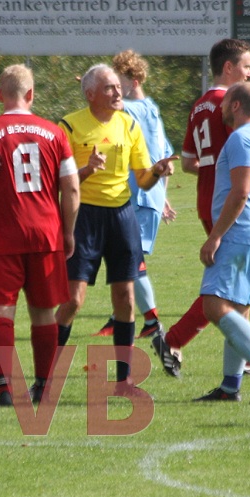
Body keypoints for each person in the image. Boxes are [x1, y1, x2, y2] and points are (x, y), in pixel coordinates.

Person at [156, 81, 250, 404]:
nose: (221, 108)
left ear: (236, 105)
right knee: (238, 310)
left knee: (214, 305)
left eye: (225, 102)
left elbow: (240, 191)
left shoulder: (241, 138)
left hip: (239, 232)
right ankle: (230, 388)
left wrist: (215, 236)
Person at [56, 64, 175, 387]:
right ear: (90, 94)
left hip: (122, 216)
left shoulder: (129, 124)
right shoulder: (69, 126)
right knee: (73, 300)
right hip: (83, 217)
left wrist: (157, 171)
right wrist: (86, 170)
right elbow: (56, 179)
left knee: (125, 298)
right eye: (109, 87)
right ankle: (45, 377)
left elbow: (143, 179)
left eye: (117, 87)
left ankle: (124, 382)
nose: (117, 91)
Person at [0, 64, 80, 406]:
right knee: (43, 313)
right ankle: (43, 387)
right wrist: (68, 231)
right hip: (46, 234)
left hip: (3, 234)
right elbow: (72, 188)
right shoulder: (55, 133)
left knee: (2, 312)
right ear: (31, 95)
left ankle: (5, 389)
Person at [153, 38, 250, 377]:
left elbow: (187, 162)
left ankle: (247, 355)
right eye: (246, 66)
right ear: (229, 67)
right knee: (228, 286)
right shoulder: (232, 103)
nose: (249, 73)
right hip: (228, 201)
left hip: (206, 199)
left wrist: (214, 170)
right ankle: (173, 340)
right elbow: (244, 148)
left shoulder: (199, 105)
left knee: (236, 283)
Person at [93, 49, 175, 339]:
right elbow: (164, 157)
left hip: (138, 198)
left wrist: (95, 91)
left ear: (134, 81)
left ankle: (151, 321)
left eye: (119, 83)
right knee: (124, 257)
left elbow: (114, 108)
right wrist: (162, 196)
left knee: (129, 258)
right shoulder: (152, 109)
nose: (115, 90)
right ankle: (119, 316)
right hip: (146, 196)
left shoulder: (134, 110)